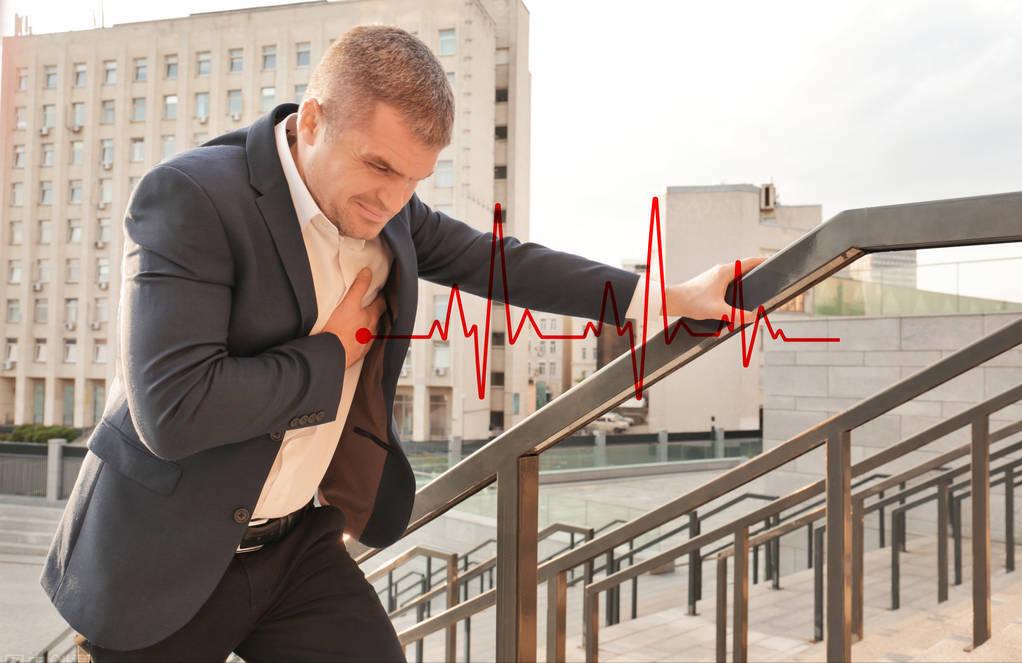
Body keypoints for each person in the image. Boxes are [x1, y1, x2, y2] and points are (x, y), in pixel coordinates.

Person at [41, 25, 764, 662]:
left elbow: (501, 261)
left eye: (414, 178)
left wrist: (660, 299)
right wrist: (333, 354)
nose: (391, 200)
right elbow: (171, 410)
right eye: (379, 167)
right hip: (161, 556)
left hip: (294, 546)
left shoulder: (393, 213)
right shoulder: (193, 198)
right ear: (315, 120)